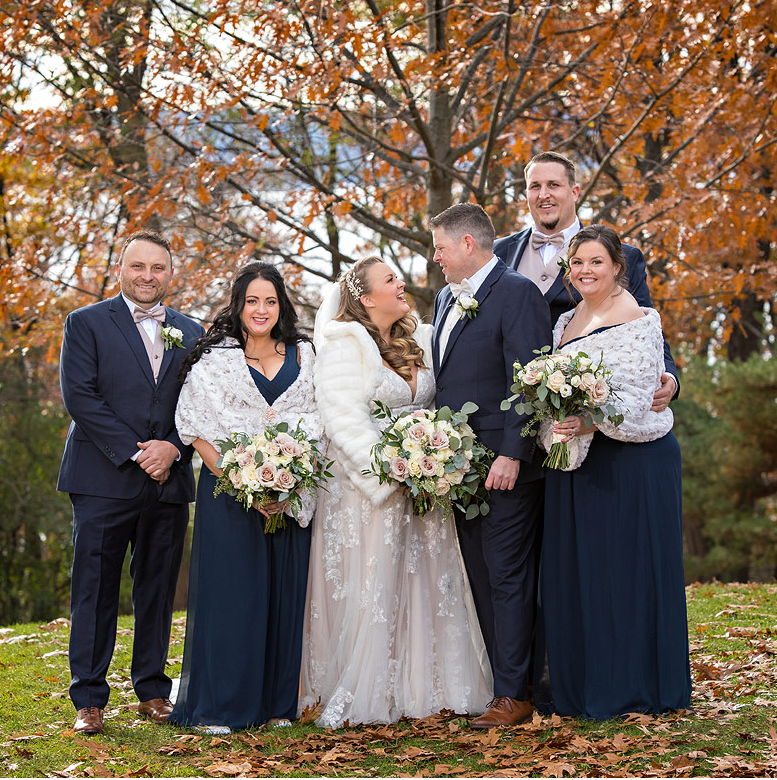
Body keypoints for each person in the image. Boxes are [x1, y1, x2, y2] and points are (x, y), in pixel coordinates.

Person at [302, 257, 492, 728]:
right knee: (377, 581)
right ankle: (369, 687)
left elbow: (433, 403)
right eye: (390, 280)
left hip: (423, 486)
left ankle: (428, 686)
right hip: (367, 491)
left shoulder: (419, 338)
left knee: (426, 582)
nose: (401, 283)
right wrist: (392, 471)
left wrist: (435, 456)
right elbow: (344, 420)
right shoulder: (344, 346)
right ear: (365, 298)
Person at [57, 230, 205, 735]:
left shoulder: (192, 330)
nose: (147, 277)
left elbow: (203, 404)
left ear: (170, 273)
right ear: (121, 269)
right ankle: (89, 699)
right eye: (138, 267)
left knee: (158, 589)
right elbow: (81, 397)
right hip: (103, 476)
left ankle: (152, 690)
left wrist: (173, 448)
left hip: (169, 481)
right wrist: (140, 452)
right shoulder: (86, 323)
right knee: (94, 589)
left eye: (157, 268)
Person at [541, 225, 691, 719]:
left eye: (595, 262)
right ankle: (583, 687)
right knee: (583, 574)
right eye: (576, 262)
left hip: (632, 462)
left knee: (626, 574)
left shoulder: (639, 319)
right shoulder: (564, 321)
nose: (584, 270)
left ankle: (634, 689)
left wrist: (590, 417)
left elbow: (639, 395)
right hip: (577, 463)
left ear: (617, 267)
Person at [170, 261, 323, 734]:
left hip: (291, 496)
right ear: (238, 306)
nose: (261, 310)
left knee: (282, 595)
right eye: (252, 301)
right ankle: (223, 706)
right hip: (228, 496)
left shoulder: (306, 354)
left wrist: (286, 482)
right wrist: (244, 482)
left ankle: (277, 704)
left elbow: (320, 421)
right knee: (233, 599)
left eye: (270, 301)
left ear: (282, 306)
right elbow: (196, 430)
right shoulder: (215, 360)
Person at [428, 203, 553, 728]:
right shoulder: (443, 298)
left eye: (439, 247)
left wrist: (510, 453)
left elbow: (528, 379)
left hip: (505, 466)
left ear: (468, 245)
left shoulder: (518, 293)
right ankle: (501, 682)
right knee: (480, 575)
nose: (435, 258)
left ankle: (516, 693)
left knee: (506, 576)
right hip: (461, 469)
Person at [493, 150, 679, 412]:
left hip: (586, 413)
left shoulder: (624, 257)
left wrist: (669, 376)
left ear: (575, 192)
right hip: (509, 410)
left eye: (554, 185)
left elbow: (647, 326)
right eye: (535, 186)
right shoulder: (497, 253)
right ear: (527, 194)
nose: (543, 194)